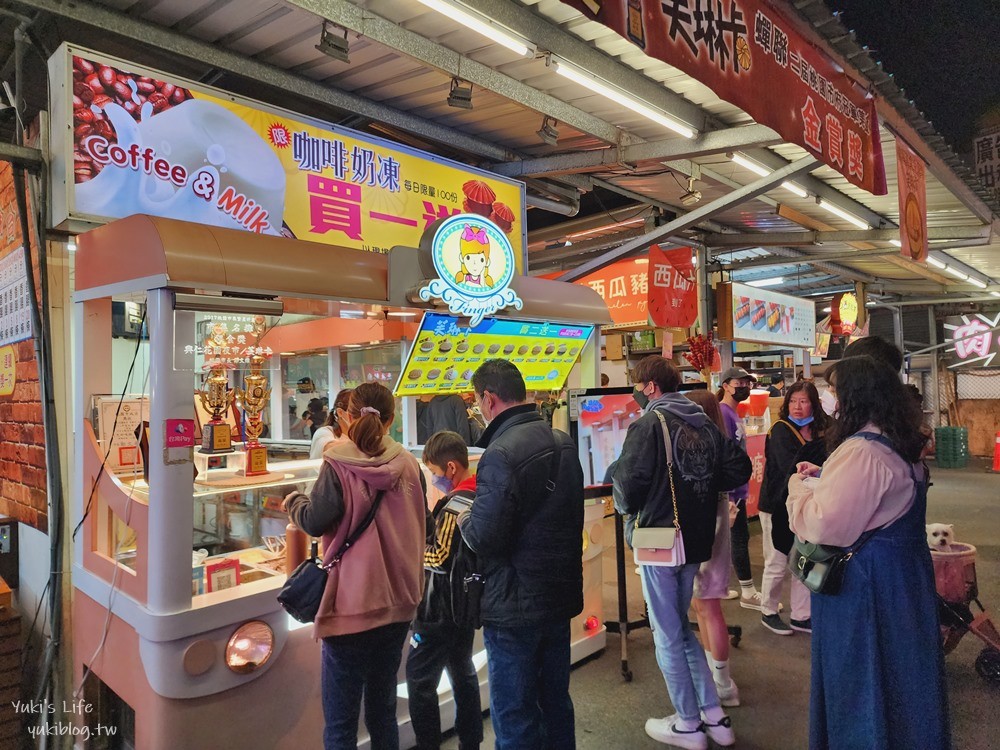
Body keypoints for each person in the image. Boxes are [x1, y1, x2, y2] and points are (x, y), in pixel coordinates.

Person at [787, 356, 950, 750]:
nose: (830, 398)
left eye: (835, 390)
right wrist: (826, 477)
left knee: (862, 682)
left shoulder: (861, 451)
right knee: (903, 681)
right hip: (903, 581)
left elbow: (826, 524)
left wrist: (797, 488)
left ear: (854, 396)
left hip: (865, 590)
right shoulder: (899, 441)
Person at [615, 357, 751, 749]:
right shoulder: (702, 420)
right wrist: (702, 491)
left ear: (650, 387)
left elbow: (627, 485)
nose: (637, 393)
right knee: (680, 627)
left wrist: (629, 506)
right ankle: (714, 716)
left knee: (666, 635)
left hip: (658, 539)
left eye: (637, 386)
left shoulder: (649, 424)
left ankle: (688, 724)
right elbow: (737, 468)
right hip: (695, 538)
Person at [284, 382, 428, 750]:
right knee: (383, 713)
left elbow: (315, 521)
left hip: (351, 604)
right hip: (399, 604)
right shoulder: (409, 463)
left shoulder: (337, 464)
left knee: (341, 723)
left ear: (346, 417)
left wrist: (294, 502)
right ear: (392, 419)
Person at [457, 359, 583, 750]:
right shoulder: (562, 440)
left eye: (477, 401)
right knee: (555, 702)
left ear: (489, 399)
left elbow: (483, 537)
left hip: (513, 605)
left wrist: (461, 513)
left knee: (514, 713)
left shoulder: (500, 454)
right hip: (558, 594)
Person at [406, 431, 483, 750]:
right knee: (463, 673)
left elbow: (439, 556)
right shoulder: (481, 491)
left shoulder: (455, 505)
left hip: (439, 610)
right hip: (464, 606)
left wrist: (406, 552)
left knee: (420, 682)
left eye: (436, 473)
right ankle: (471, 740)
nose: (435, 480)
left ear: (451, 467)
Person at [683, 388, 741, 708]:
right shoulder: (720, 444)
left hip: (706, 538)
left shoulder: (703, 449)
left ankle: (723, 683)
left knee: (708, 607)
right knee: (703, 606)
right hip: (711, 535)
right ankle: (716, 675)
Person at [757, 382, 829, 636]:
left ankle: (802, 615)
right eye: (793, 401)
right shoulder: (780, 430)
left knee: (805, 559)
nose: (797, 407)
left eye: (803, 401)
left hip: (807, 506)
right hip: (777, 504)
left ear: (814, 404)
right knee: (776, 560)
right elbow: (794, 465)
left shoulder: (823, 431)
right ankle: (768, 610)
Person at [716, 366, 761, 610]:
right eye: (739, 383)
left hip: (736, 489)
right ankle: (748, 591)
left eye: (748, 383)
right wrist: (731, 494)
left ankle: (718, 586)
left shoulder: (733, 413)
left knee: (725, 540)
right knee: (738, 537)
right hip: (731, 491)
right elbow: (725, 456)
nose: (744, 387)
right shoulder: (723, 413)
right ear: (725, 385)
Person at [310, 388, 353, 459]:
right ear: (340, 412)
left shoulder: (357, 435)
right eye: (355, 412)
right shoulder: (324, 432)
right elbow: (331, 450)